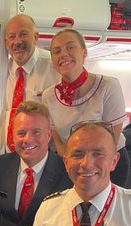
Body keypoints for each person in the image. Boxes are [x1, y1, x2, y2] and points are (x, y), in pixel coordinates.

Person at [42, 28, 130, 186]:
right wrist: (77, 166)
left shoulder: (108, 86)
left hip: (109, 164)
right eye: (56, 51)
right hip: (73, 165)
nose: (63, 54)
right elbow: (59, 145)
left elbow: (113, 139)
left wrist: (92, 167)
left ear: (84, 52)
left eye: (70, 47)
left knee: (107, 208)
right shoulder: (49, 96)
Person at [3, 14, 59, 152]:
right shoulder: (3, 68)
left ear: (35, 37)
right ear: (6, 42)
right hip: (10, 153)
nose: (17, 42)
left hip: (45, 153)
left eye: (23, 34)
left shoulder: (55, 67)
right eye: (12, 37)